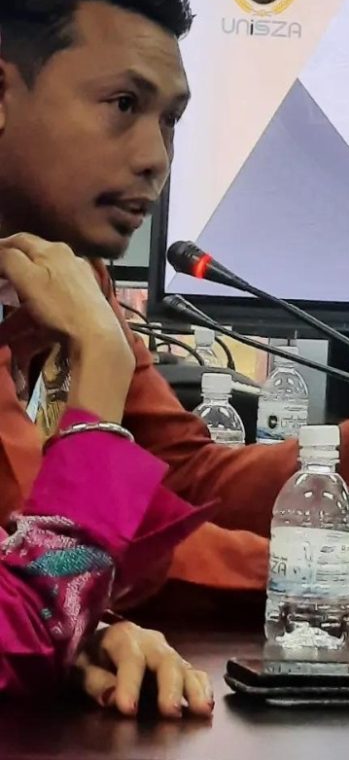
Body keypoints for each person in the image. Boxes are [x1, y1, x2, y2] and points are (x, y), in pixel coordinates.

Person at [0, 0, 349, 637]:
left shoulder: (73, 276)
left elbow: (179, 488)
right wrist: (316, 577)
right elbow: (40, 582)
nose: (154, 158)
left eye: (169, 121)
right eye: (123, 105)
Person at [0, 239, 213, 715]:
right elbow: (28, 618)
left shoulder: (76, 282)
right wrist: (100, 362)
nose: (151, 202)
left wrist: (85, 631)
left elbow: (187, 469)